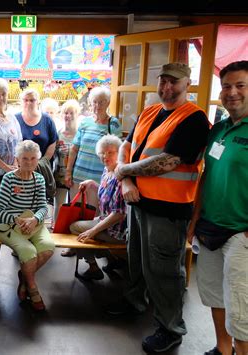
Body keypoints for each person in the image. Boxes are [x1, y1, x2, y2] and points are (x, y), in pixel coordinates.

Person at [112, 62, 211, 353]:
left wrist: (123, 171)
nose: (167, 87)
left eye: (174, 82)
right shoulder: (150, 111)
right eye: (163, 80)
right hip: (137, 202)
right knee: (136, 259)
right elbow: (125, 145)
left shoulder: (194, 119)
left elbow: (167, 162)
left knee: (165, 270)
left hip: (168, 210)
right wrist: (126, 178)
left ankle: (171, 328)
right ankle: (134, 302)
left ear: (187, 85)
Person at [187, 61, 248, 355]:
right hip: (209, 227)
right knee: (215, 296)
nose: (232, 92)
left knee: (239, 304)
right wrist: (194, 221)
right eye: (226, 86)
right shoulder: (220, 129)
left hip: (241, 233)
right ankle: (224, 350)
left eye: (241, 85)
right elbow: (207, 175)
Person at [0, 140, 55, 311]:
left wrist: (34, 219)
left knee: (48, 247)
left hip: (33, 223)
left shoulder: (39, 179)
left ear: (38, 159)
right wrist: (16, 219)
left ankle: (25, 276)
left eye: (33, 158)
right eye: (24, 158)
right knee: (29, 252)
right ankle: (32, 287)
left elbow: (43, 207)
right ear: (18, 159)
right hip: (8, 225)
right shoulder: (9, 179)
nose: (29, 162)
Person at [62, 86, 121, 257]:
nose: (97, 105)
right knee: (75, 212)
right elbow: (74, 149)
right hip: (79, 175)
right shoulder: (85, 122)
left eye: (101, 102)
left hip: (100, 179)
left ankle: (90, 253)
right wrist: (68, 172)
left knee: (93, 215)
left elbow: (118, 150)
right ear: (90, 103)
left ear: (108, 103)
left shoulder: (113, 123)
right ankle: (73, 246)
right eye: (94, 102)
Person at [69, 134, 127, 281]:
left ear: (119, 153)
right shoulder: (107, 170)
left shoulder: (120, 176)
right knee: (85, 227)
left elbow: (119, 214)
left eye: (110, 152)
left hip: (118, 232)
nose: (105, 156)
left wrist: (93, 231)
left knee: (75, 228)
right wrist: (92, 184)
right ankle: (113, 259)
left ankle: (94, 267)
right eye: (102, 153)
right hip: (108, 223)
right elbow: (105, 194)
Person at [16, 88, 58, 206]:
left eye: (32, 100)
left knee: (40, 201)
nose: (29, 103)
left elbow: (52, 141)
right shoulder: (15, 119)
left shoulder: (47, 120)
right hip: (21, 168)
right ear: (21, 101)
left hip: (41, 168)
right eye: (26, 100)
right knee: (22, 199)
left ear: (38, 102)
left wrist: (43, 161)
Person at [53, 99, 79, 224]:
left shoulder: (80, 133)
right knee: (59, 204)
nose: (68, 116)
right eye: (65, 113)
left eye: (71, 113)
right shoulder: (57, 133)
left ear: (77, 115)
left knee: (75, 204)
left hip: (76, 175)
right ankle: (56, 229)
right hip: (59, 175)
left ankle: (70, 228)